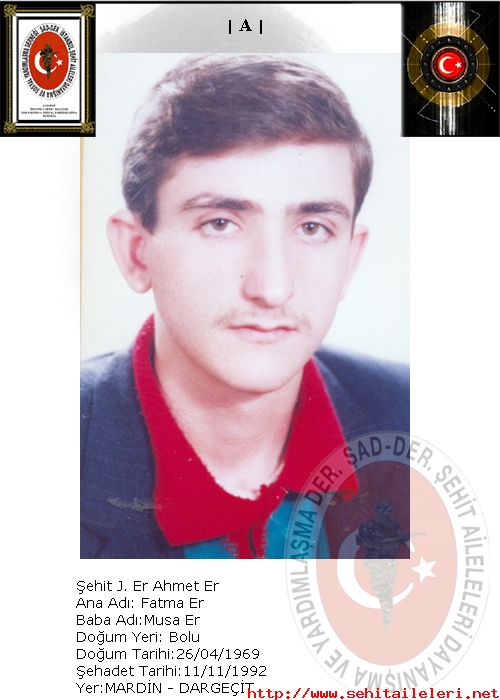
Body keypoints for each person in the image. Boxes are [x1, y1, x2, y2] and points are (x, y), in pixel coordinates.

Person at [81, 55, 409, 559]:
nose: (271, 288)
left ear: (350, 258)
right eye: (220, 224)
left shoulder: (418, 414)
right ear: (136, 252)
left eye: (313, 228)